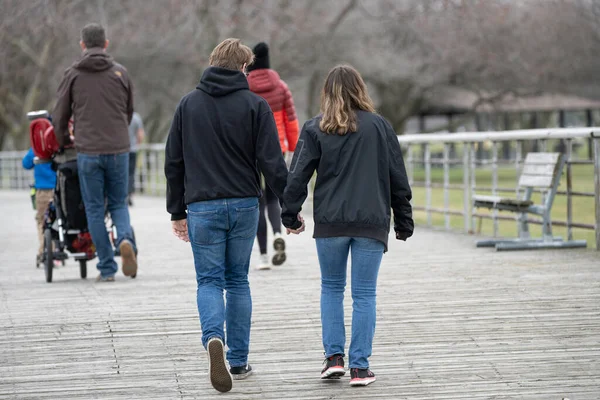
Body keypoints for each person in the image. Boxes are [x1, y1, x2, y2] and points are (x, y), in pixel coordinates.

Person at [164, 38, 293, 393]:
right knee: (238, 280)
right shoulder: (256, 105)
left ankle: (213, 339)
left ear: (212, 62)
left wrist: (177, 210)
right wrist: (290, 209)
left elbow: (173, 161)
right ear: (243, 68)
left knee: (209, 281)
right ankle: (238, 359)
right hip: (243, 204)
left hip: (202, 205)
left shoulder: (187, 105)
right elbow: (272, 163)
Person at [281, 65, 413, 387]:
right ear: (360, 90)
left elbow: (298, 175)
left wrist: (290, 213)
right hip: (371, 222)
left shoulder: (315, 128)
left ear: (327, 93)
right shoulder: (380, 127)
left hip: (330, 223)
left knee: (331, 289)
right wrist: (403, 219)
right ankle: (359, 368)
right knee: (364, 294)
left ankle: (333, 359)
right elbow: (397, 175)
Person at [53, 23, 138, 282]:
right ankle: (124, 239)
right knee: (118, 203)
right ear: (106, 44)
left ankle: (107, 268)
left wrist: (65, 140)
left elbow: (59, 116)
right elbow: (129, 111)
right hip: (118, 149)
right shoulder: (120, 73)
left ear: (82, 45)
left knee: (93, 209)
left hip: (87, 151)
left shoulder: (73, 74)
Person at [247, 42, 299, 270]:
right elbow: (291, 121)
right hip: (277, 148)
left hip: (251, 150)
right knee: (273, 198)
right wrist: (293, 149)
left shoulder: (244, 87)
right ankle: (278, 232)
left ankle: (263, 256)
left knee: (257, 201)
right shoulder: (281, 87)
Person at [22, 147, 57, 266]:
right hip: (59, 188)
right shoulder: (57, 145)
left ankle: (44, 251)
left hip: (43, 190)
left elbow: (26, 164)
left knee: (42, 220)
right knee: (59, 218)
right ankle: (54, 248)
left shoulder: (36, 148)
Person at [127, 111, 145, 206]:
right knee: (131, 173)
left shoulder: (120, 115)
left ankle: (124, 194)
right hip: (133, 149)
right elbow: (140, 134)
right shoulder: (136, 117)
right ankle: (129, 194)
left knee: (122, 173)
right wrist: (137, 144)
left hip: (121, 150)